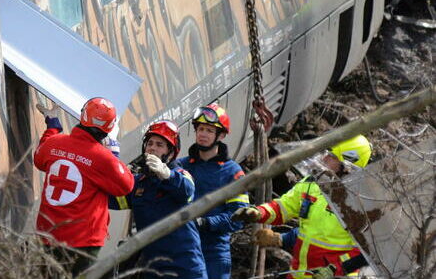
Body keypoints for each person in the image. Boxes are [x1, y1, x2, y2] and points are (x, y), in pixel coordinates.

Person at [231, 135, 373, 279]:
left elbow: (368, 252)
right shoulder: (312, 183)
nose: (324, 159)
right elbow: (285, 207)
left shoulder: (362, 202)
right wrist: (259, 213)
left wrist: (335, 269)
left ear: (348, 163)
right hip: (299, 273)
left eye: (331, 156)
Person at [33, 97, 134, 276]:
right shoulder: (102, 158)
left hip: (48, 235)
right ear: (109, 129)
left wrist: (53, 126)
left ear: (83, 116)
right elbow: (126, 186)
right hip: (83, 241)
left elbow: (40, 159)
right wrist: (114, 155)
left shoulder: (53, 143)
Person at [110, 120, 207, 279]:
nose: (152, 148)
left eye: (160, 145)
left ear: (170, 152)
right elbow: (112, 198)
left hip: (185, 269)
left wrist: (167, 174)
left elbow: (187, 190)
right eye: (150, 143)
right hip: (153, 269)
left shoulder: (180, 175)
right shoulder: (138, 183)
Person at [178, 104, 250, 279]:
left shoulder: (232, 172)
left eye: (209, 131)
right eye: (200, 129)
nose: (202, 134)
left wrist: (205, 223)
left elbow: (238, 217)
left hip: (213, 255)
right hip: (182, 249)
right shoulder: (181, 166)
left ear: (222, 135)